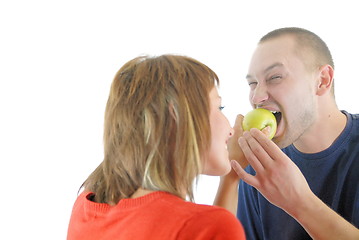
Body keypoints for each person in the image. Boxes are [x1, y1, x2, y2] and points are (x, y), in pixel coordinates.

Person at [67, 55, 246, 239]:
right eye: (219, 107)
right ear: (177, 117)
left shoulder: (85, 208)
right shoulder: (207, 225)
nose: (230, 128)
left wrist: (231, 177)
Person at [215, 27, 359, 239]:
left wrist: (298, 201)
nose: (257, 97)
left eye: (274, 77)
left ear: (322, 80)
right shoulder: (257, 165)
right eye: (252, 83)